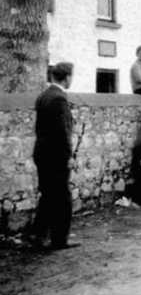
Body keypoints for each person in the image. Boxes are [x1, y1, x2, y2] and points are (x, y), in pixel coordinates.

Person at [31, 62, 79, 250]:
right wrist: (69, 156)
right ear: (67, 77)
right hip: (56, 156)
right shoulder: (59, 98)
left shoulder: (43, 96)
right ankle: (59, 240)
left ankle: (38, 235)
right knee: (62, 198)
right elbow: (62, 131)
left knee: (48, 196)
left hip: (42, 153)